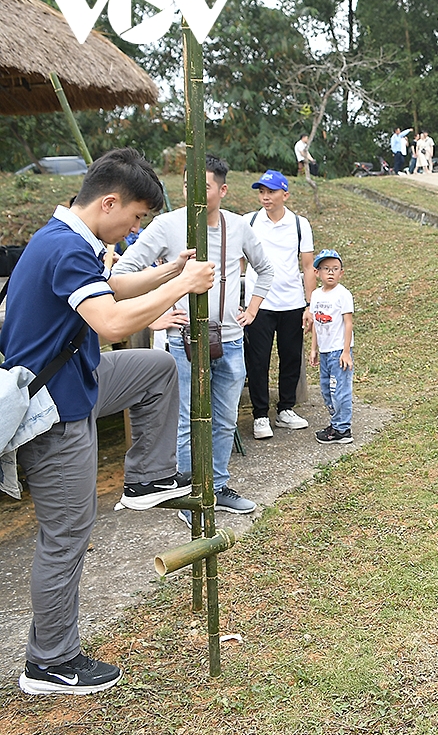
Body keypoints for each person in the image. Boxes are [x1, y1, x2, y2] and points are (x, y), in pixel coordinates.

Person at [1, 148, 216, 695]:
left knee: (155, 368)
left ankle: (146, 479)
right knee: (66, 535)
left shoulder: (66, 240)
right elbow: (111, 319)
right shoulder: (66, 247)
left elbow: (111, 290)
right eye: (137, 218)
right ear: (110, 202)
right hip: (55, 412)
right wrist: (182, 287)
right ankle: (49, 662)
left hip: (82, 383)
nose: (135, 227)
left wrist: (167, 270)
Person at [113, 154, 273, 516]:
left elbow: (266, 270)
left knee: (225, 418)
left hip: (230, 339)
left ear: (223, 190)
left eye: (204, 186)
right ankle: (191, 498)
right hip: (184, 339)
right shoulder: (167, 225)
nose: (194, 193)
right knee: (185, 421)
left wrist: (252, 309)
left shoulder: (238, 227)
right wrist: (158, 312)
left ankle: (216, 487)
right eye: (188, 185)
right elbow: (124, 272)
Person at [243, 170, 316, 440]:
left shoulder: (300, 224)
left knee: (291, 359)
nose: (265, 197)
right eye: (261, 191)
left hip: (291, 302)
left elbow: (307, 267)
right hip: (258, 305)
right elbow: (239, 262)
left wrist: (310, 304)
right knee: (258, 361)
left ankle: (286, 409)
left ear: (285, 194)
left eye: (271, 192)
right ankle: (260, 415)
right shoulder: (248, 222)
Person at [308, 249, 354, 444]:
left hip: (338, 351)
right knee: (326, 390)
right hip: (325, 351)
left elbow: (348, 323)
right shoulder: (316, 295)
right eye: (326, 268)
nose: (330, 272)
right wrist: (313, 349)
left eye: (335, 269)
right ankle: (336, 423)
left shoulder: (343, 294)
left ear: (341, 273)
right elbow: (316, 325)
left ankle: (343, 429)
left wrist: (346, 352)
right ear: (317, 272)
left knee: (340, 390)